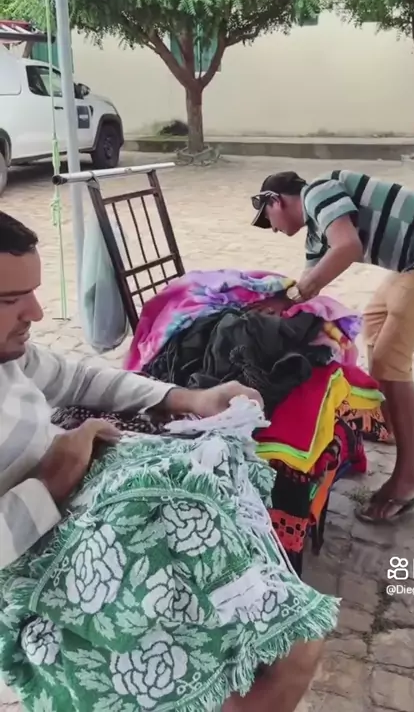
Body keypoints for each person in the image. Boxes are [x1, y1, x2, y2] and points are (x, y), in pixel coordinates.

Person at [0, 211, 330, 712]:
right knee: (282, 653)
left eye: (32, 292)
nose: (37, 313)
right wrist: (50, 483)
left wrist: (186, 398)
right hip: (38, 567)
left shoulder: (9, 355)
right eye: (9, 300)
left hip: (91, 513)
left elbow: (78, 380)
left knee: (294, 646)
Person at [251, 170, 414, 523]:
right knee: (374, 323)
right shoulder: (316, 233)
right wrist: (278, 304)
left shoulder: (317, 191)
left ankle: (410, 478)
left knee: (389, 359)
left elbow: (348, 247)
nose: (274, 229)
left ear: (276, 201)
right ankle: (390, 422)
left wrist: (292, 296)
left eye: (269, 220)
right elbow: (309, 285)